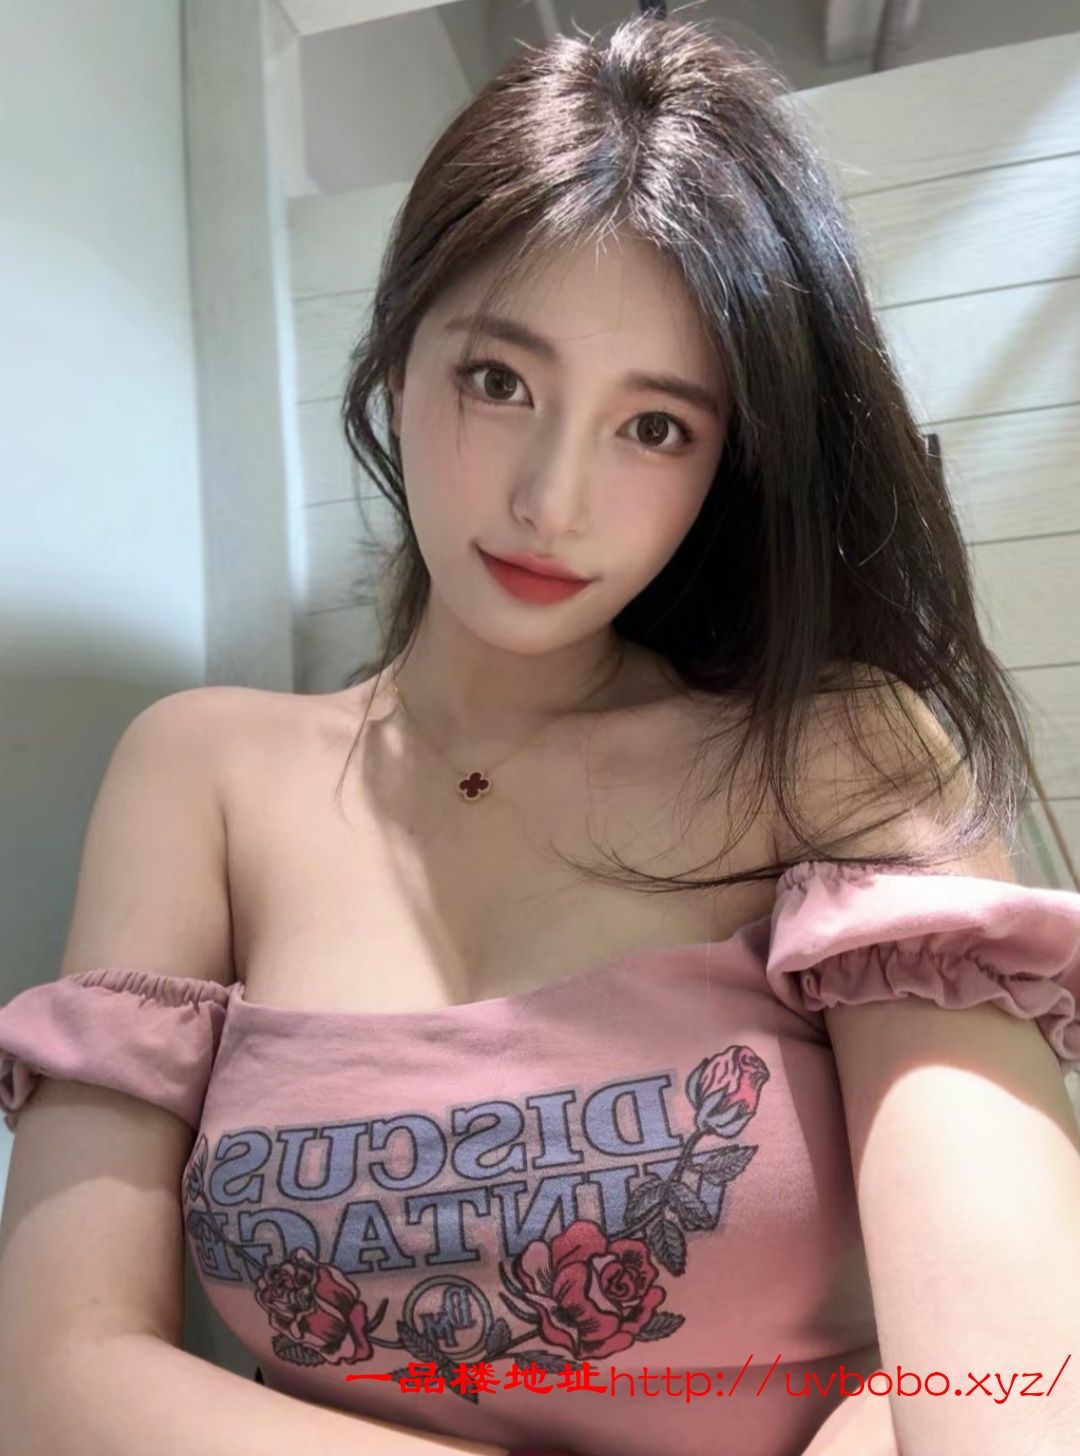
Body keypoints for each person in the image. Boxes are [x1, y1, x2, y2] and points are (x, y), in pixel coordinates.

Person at [1, 13, 1079, 1456]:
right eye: (499, 381)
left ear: (727, 465)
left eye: (656, 428)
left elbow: (1006, 1398)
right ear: (399, 358)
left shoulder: (836, 758)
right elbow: (60, 1378)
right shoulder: (206, 776)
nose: (550, 501)